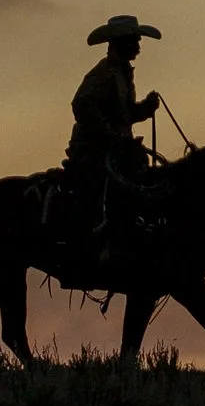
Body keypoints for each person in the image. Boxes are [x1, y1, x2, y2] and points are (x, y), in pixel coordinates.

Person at [63, 15, 163, 262]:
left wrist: (144, 109)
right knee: (117, 185)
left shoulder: (121, 74)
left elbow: (123, 114)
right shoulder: (104, 74)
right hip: (93, 149)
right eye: (134, 41)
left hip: (116, 147)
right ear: (121, 43)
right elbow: (82, 105)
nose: (139, 46)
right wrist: (109, 135)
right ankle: (105, 238)